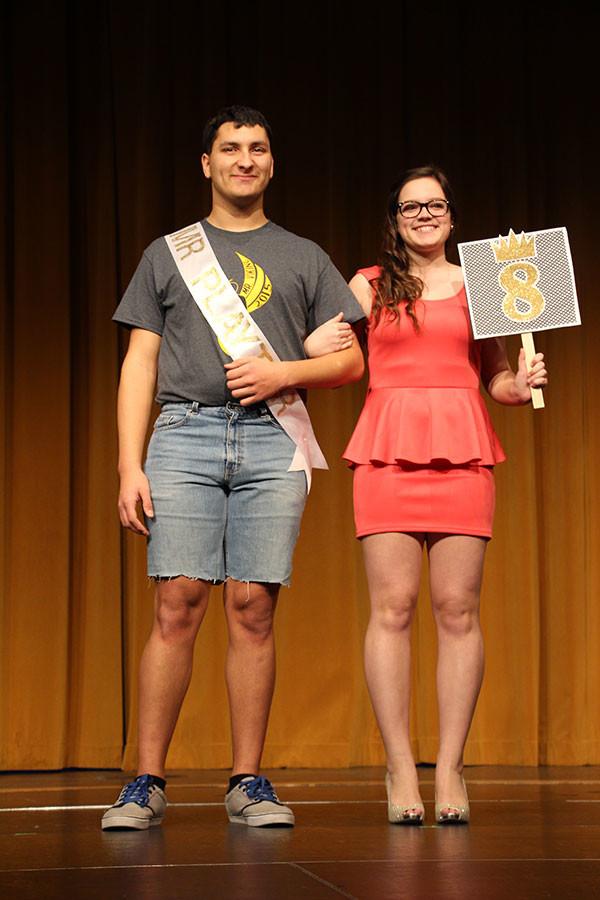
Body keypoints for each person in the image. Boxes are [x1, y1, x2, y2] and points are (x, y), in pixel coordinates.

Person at [101, 105, 364, 831]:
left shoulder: (304, 255)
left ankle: (246, 780)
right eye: (230, 148)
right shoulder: (167, 252)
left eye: (257, 149)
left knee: (252, 607)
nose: (244, 159)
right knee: (178, 601)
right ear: (207, 164)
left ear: (272, 164)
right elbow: (140, 362)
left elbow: (348, 359)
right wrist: (130, 464)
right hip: (182, 433)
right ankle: (145, 780)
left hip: (272, 440)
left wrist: (284, 374)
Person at [343, 165, 547, 825]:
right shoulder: (368, 285)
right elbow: (335, 355)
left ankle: (451, 767)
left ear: (453, 214)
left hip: (463, 449)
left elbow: (495, 378)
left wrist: (518, 385)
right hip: (387, 450)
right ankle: (401, 766)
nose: (423, 214)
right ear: (395, 218)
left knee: (458, 610)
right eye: (411, 206)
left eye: (434, 204)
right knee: (393, 609)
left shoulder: (486, 283)